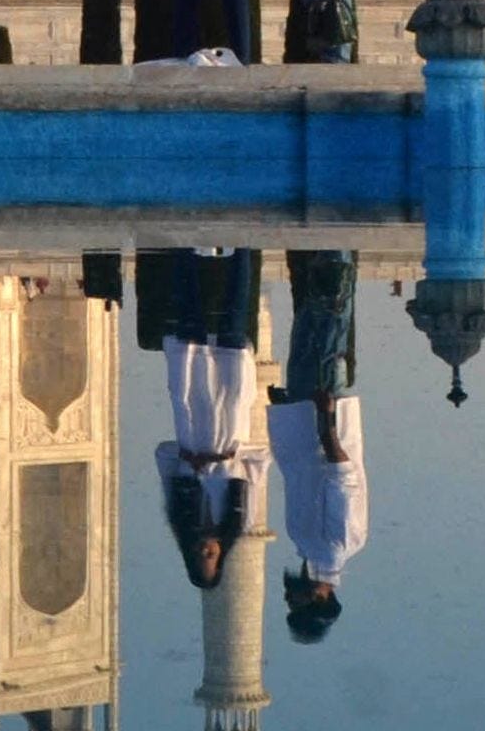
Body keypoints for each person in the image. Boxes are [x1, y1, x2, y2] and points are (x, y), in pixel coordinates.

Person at [153, 248, 271, 595]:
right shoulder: (240, 517)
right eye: (211, 555)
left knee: (190, 322)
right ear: (221, 553)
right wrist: (221, 462)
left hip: (191, 414)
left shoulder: (179, 509)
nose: (206, 548)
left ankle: (184, 252)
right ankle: (244, 250)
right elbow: (261, 459)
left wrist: (189, 458)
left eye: (199, 554)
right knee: (234, 321)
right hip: (230, 418)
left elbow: (162, 453)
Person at [267, 248, 365, 635]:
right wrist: (324, 416)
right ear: (321, 597)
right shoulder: (333, 548)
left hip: (302, 414)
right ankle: (334, 247)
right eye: (297, 606)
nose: (289, 599)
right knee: (326, 325)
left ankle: (325, 252)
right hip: (319, 411)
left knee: (310, 325)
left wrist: (287, 414)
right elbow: (342, 474)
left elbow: (299, 474)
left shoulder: (309, 546)